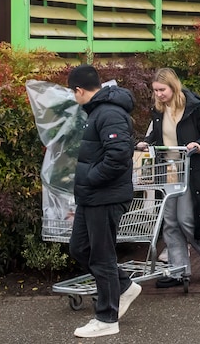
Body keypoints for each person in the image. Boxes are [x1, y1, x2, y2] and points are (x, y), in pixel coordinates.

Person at [67, 64, 142, 339]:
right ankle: (124, 287)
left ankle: (107, 318)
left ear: (79, 90)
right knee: (80, 248)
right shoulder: (98, 112)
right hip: (92, 196)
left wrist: (91, 178)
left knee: (102, 256)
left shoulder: (108, 112)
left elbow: (118, 155)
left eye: (72, 92)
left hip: (104, 196)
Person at [137, 68, 200, 288]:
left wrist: (199, 145)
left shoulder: (193, 107)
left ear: (173, 87)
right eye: (155, 90)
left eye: (162, 90)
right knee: (170, 222)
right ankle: (178, 271)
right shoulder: (158, 110)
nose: (158, 95)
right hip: (168, 172)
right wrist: (147, 143)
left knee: (186, 219)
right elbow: (159, 136)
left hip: (190, 171)